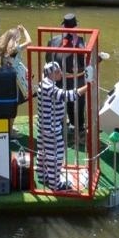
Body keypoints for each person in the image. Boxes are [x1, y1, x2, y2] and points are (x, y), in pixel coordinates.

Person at [35, 60, 87, 191]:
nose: (61, 74)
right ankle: (55, 183)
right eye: (58, 72)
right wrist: (88, 87)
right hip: (51, 128)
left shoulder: (44, 83)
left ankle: (42, 175)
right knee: (56, 155)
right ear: (51, 74)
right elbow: (67, 96)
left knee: (43, 151)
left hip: (44, 126)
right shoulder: (49, 87)